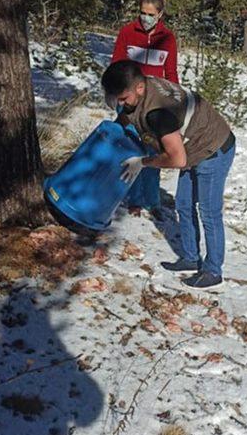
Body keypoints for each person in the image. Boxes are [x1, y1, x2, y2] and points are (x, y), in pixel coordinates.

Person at [101, 60, 235, 290]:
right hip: (192, 143)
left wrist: (143, 163)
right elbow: (125, 117)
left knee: (209, 212)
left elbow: (177, 159)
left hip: (213, 149)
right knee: (183, 204)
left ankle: (213, 270)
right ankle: (191, 258)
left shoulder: (158, 112)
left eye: (123, 99)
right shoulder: (140, 89)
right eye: (116, 100)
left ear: (139, 89)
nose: (120, 104)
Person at [111, 0, 179, 216]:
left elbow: (171, 73)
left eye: (151, 14)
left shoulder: (168, 39)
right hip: (130, 103)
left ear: (160, 14)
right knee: (131, 150)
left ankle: (153, 201)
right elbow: (116, 66)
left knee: (153, 155)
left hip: (155, 106)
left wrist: (174, 100)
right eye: (142, 12)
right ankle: (133, 200)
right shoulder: (127, 33)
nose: (145, 18)